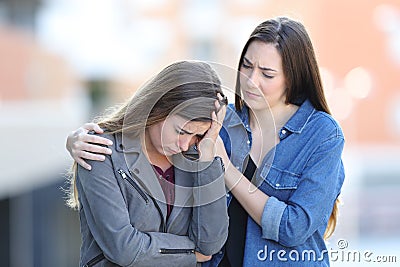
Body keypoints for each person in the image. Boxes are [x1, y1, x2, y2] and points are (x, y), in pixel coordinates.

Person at [67, 17, 345, 267]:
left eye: (267, 74)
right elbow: (162, 116)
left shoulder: (321, 135)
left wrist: (223, 166)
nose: (250, 81)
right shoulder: (219, 120)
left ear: (293, 78)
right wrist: (77, 139)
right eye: (246, 66)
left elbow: (293, 228)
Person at [66, 60, 229, 267]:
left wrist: (206, 156)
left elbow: (210, 244)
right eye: (182, 131)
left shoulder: (195, 158)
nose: (185, 144)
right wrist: (191, 252)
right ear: (158, 107)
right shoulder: (99, 150)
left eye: (198, 135)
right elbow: (123, 249)